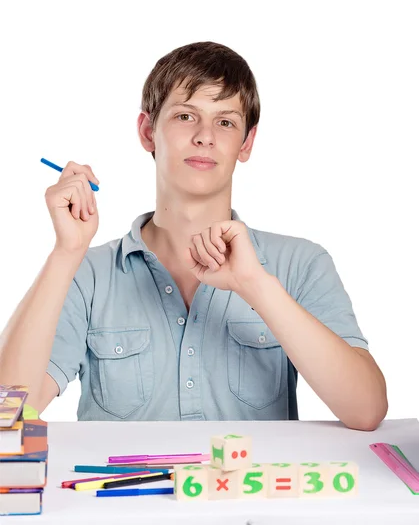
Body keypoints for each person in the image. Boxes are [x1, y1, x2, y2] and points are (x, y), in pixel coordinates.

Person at [0, 41, 387, 429]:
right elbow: (8, 411)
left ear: (246, 142)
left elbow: (366, 410)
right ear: (148, 132)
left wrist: (255, 285)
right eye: (186, 116)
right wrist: (66, 252)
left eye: (225, 122)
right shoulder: (87, 273)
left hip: (251, 490)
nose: (205, 136)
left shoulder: (301, 264)